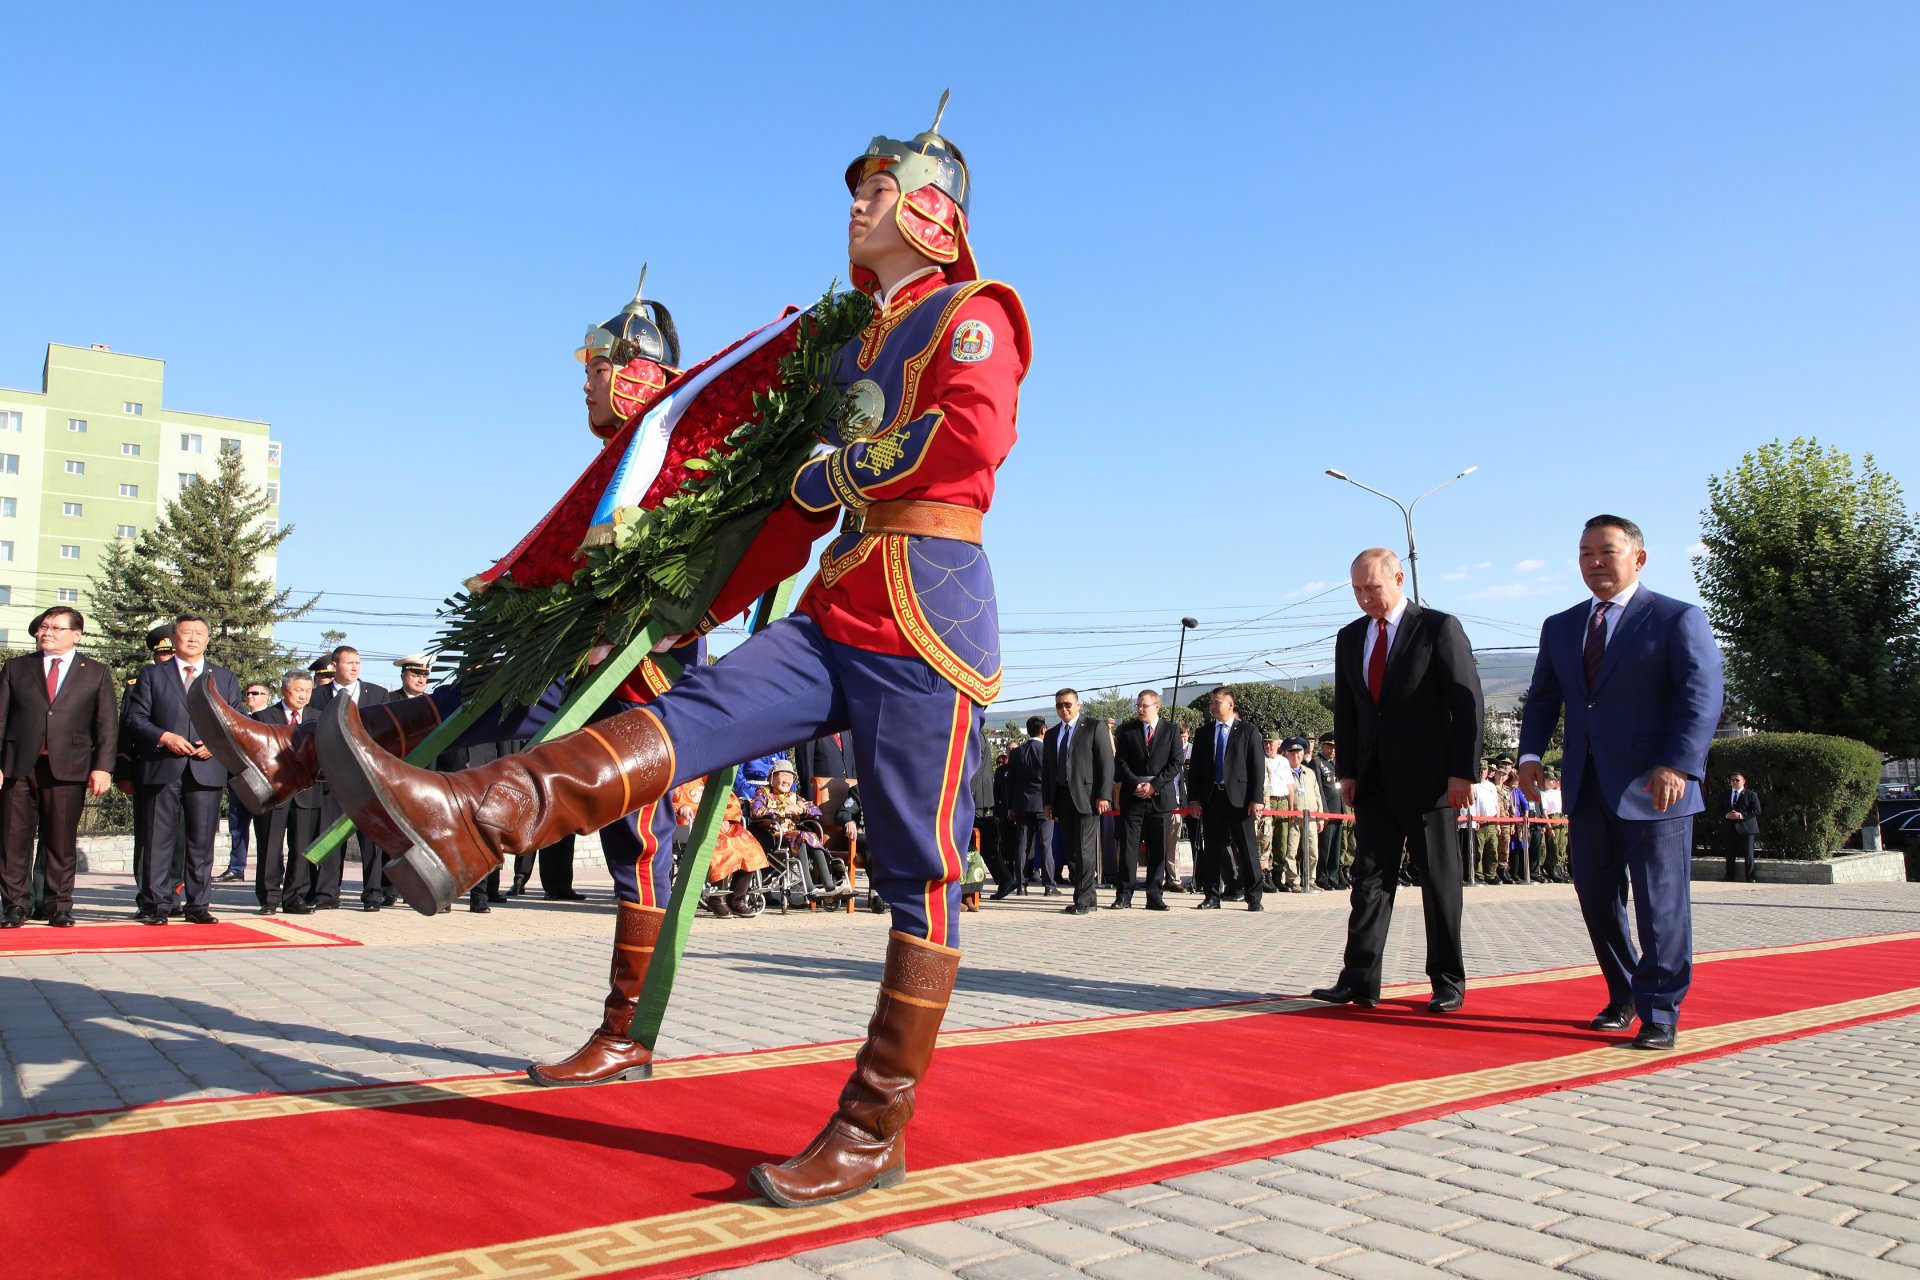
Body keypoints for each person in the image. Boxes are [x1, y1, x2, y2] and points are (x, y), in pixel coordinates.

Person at [315, 101, 1029, 1208]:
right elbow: (774, 469)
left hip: (928, 610)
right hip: (839, 601)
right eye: (857, 188)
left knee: (917, 870)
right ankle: (472, 823)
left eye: (878, 189)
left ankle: (876, 1120)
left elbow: (974, 433)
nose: (857, 202)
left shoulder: (974, 312)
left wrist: (843, 473)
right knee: (678, 728)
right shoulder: (858, 336)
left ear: (934, 210)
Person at [1518, 515, 1723, 1051]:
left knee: (1661, 903)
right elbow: (1543, 697)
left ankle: (1661, 1011)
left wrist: (1677, 764)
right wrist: (1531, 753)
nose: (1594, 562)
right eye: (1585, 553)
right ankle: (1625, 991)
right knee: (1596, 896)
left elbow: (1700, 698)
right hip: (1587, 787)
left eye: (1606, 552)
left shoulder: (1676, 618)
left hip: (1658, 787)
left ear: (1639, 558)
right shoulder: (1561, 626)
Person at [1313, 549, 1483, 1013]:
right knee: (1367, 880)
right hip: (1373, 781)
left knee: (1439, 881)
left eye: (1373, 587)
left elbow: (1467, 703)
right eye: (1357, 590)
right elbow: (1347, 710)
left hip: (1431, 782)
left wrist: (1463, 772)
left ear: (1399, 578)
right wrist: (1347, 771)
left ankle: (1447, 980)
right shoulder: (1350, 637)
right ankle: (1359, 980)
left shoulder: (1437, 628)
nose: (1366, 597)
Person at [0, 607, 117, 929]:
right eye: (43, 627)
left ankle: (58, 905)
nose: (46, 632)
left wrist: (103, 768)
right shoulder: (16, 668)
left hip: (69, 768)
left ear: (76, 635)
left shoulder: (95, 672)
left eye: (55, 627)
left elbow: (106, 725)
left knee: (61, 842)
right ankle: (15, 906)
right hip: (17, 767)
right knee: (12, 840)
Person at [123, 614, 242, 924]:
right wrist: (164, 737)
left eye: (199, 633)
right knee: (156, 840)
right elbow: (135, 719)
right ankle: (155, 905)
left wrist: (215, 745)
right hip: (162, 766)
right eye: (186, 632)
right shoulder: (152, 674)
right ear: (174, 639)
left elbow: (237, 723)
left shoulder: (225, 679)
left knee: (201, 842)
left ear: (208, 640)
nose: (193, 638)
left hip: (206, 769)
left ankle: (198, 904)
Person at [310, 646, 390, 910]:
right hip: (332, 777)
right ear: (335, 666)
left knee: (372, 839)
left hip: (368, 779)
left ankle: (372, 894)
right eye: (349, 663)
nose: (355, 667)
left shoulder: (377, 694)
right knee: (331, 834)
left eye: (358, 662)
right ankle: (327, 893)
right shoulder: (317, 696)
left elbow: (387, 735)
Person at [1185, 687, 1265, 911]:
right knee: (1212, 848)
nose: (1212, 706)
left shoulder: (1248, 731)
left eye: (1216, 702)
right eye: (1211, 702)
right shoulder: (1204, 733)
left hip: (1240, 799)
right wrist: (1194, 799)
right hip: (1212, 798)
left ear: (1230, 704)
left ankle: (1254, 897)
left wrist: (1256, 798)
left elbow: (1257, 768)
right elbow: (1196, 770)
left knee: (1247, 849)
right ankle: (1212, 895)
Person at [255, 671, 322, 915]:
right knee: (270, 846)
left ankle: (295, 897)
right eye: (298, 690)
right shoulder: (264, 716)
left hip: (307, 792)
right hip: (274, 791)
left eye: (308, 691)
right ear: (284, 691)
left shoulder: (318, 718)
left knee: (301, 847)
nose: (303, 695)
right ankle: (269, 898)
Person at [1042, 688, 1114, 916]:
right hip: (1062, 800)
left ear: (1078, 704)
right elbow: (1048, 771)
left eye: (1067, 704)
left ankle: (1082, 899)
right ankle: (1090, 897)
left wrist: (1104, 795)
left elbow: (1106, 763)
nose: (1064, 709)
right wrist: (1047, 802)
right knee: (1072, 851)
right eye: (1059, 705)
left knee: (1084, 850)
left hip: (1087, 799)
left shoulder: (1094, 726)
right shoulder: (1053, 734)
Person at [1112, 689, 1180, 910]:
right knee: (1129, 848)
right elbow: (1120, 762)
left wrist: (1154, 786)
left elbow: (1176, 762)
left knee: (1158, 849)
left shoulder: (1171, 731)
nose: (1140, 709)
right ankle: (1124, 894)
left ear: (1156, 706)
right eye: (1138, 706)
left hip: (1160, 799)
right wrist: (1136, 784)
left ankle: (1154, 895)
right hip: (1133, 797)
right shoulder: (1128, 731)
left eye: (1145, 706)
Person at [751, 757, 848, 902]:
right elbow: (756, 812)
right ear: (772, 776)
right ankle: (810, 889)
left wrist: (804, 809)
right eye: (783, 775)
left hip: (794, 836)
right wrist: (784, 809)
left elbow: (816, 811)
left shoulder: (793, 796)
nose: (787, 780)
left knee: (810, 836)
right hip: (771, 836)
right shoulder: (763, 792)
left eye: (790, 777)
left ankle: (829, 887)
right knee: (801, 836)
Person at [679, 778, 766, 918]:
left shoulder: (713, 779)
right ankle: (717, 899)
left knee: (750, 847)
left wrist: (723, 817)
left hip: (724, 824)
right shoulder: (680, 780)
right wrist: (680, 808)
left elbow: (732, 803)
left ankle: (736, 900)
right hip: (696, 825)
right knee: (725, 847)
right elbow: (668, 802)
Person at [216, 682, 276, 882]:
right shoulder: (238, 719)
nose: (250, 696)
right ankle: (236, 867)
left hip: (264, 783)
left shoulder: (273, 719)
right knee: (237, 827)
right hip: (239, 781)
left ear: (267, 696)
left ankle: (274, 869)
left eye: (256, 693)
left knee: (269, 829)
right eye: (248, 693)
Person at [1005, 716, 1052, 894]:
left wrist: (1011, 806)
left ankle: (1021, 885)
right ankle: (1049, 885)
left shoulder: (1017, 752)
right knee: (1045, 845)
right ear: (1043, 730)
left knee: (1022, 845)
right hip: (1043, 805)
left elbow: (1011, 781)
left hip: (1022, 804)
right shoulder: (1047, 750)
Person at [1277, 738, 1323, 893]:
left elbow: (1317, 795)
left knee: (1312, 851)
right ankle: (1293, 880)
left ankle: (1311, 880)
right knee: (1291, 851)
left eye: (1299, 752)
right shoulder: (1284, 771)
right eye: (1292, 752)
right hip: (1292, 817)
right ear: (1285, 754)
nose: (1296, 756)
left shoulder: (1309, 772)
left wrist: (1321, 817)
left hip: (1310, 817)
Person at [1310, 734, 1345, 889]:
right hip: (1327, 811)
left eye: (1334, 747)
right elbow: (1318, 789)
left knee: (1336, 846)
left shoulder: (1337, 763)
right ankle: (1322, 877)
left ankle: (1333, 876)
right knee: (1324, 846)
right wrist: (1323, 811)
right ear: (1322, 746)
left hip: (1338, 810)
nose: (1332, 750)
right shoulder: (1317, 763)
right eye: (1329, 746)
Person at [1722, 772, 1762, 882]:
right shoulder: (1725, 794)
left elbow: (1757, 811)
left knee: (1748, 853)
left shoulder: (1751, 794)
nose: (1734, 782)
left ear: (1743, 781)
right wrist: (1727, 815)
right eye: (1732, 780)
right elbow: (1719, 809)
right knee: (1730, 853)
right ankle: (1729, 876)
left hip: (1747, 828)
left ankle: (1750, 877)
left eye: (1737, 780)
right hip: (1730, 828)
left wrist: (1740, 815)